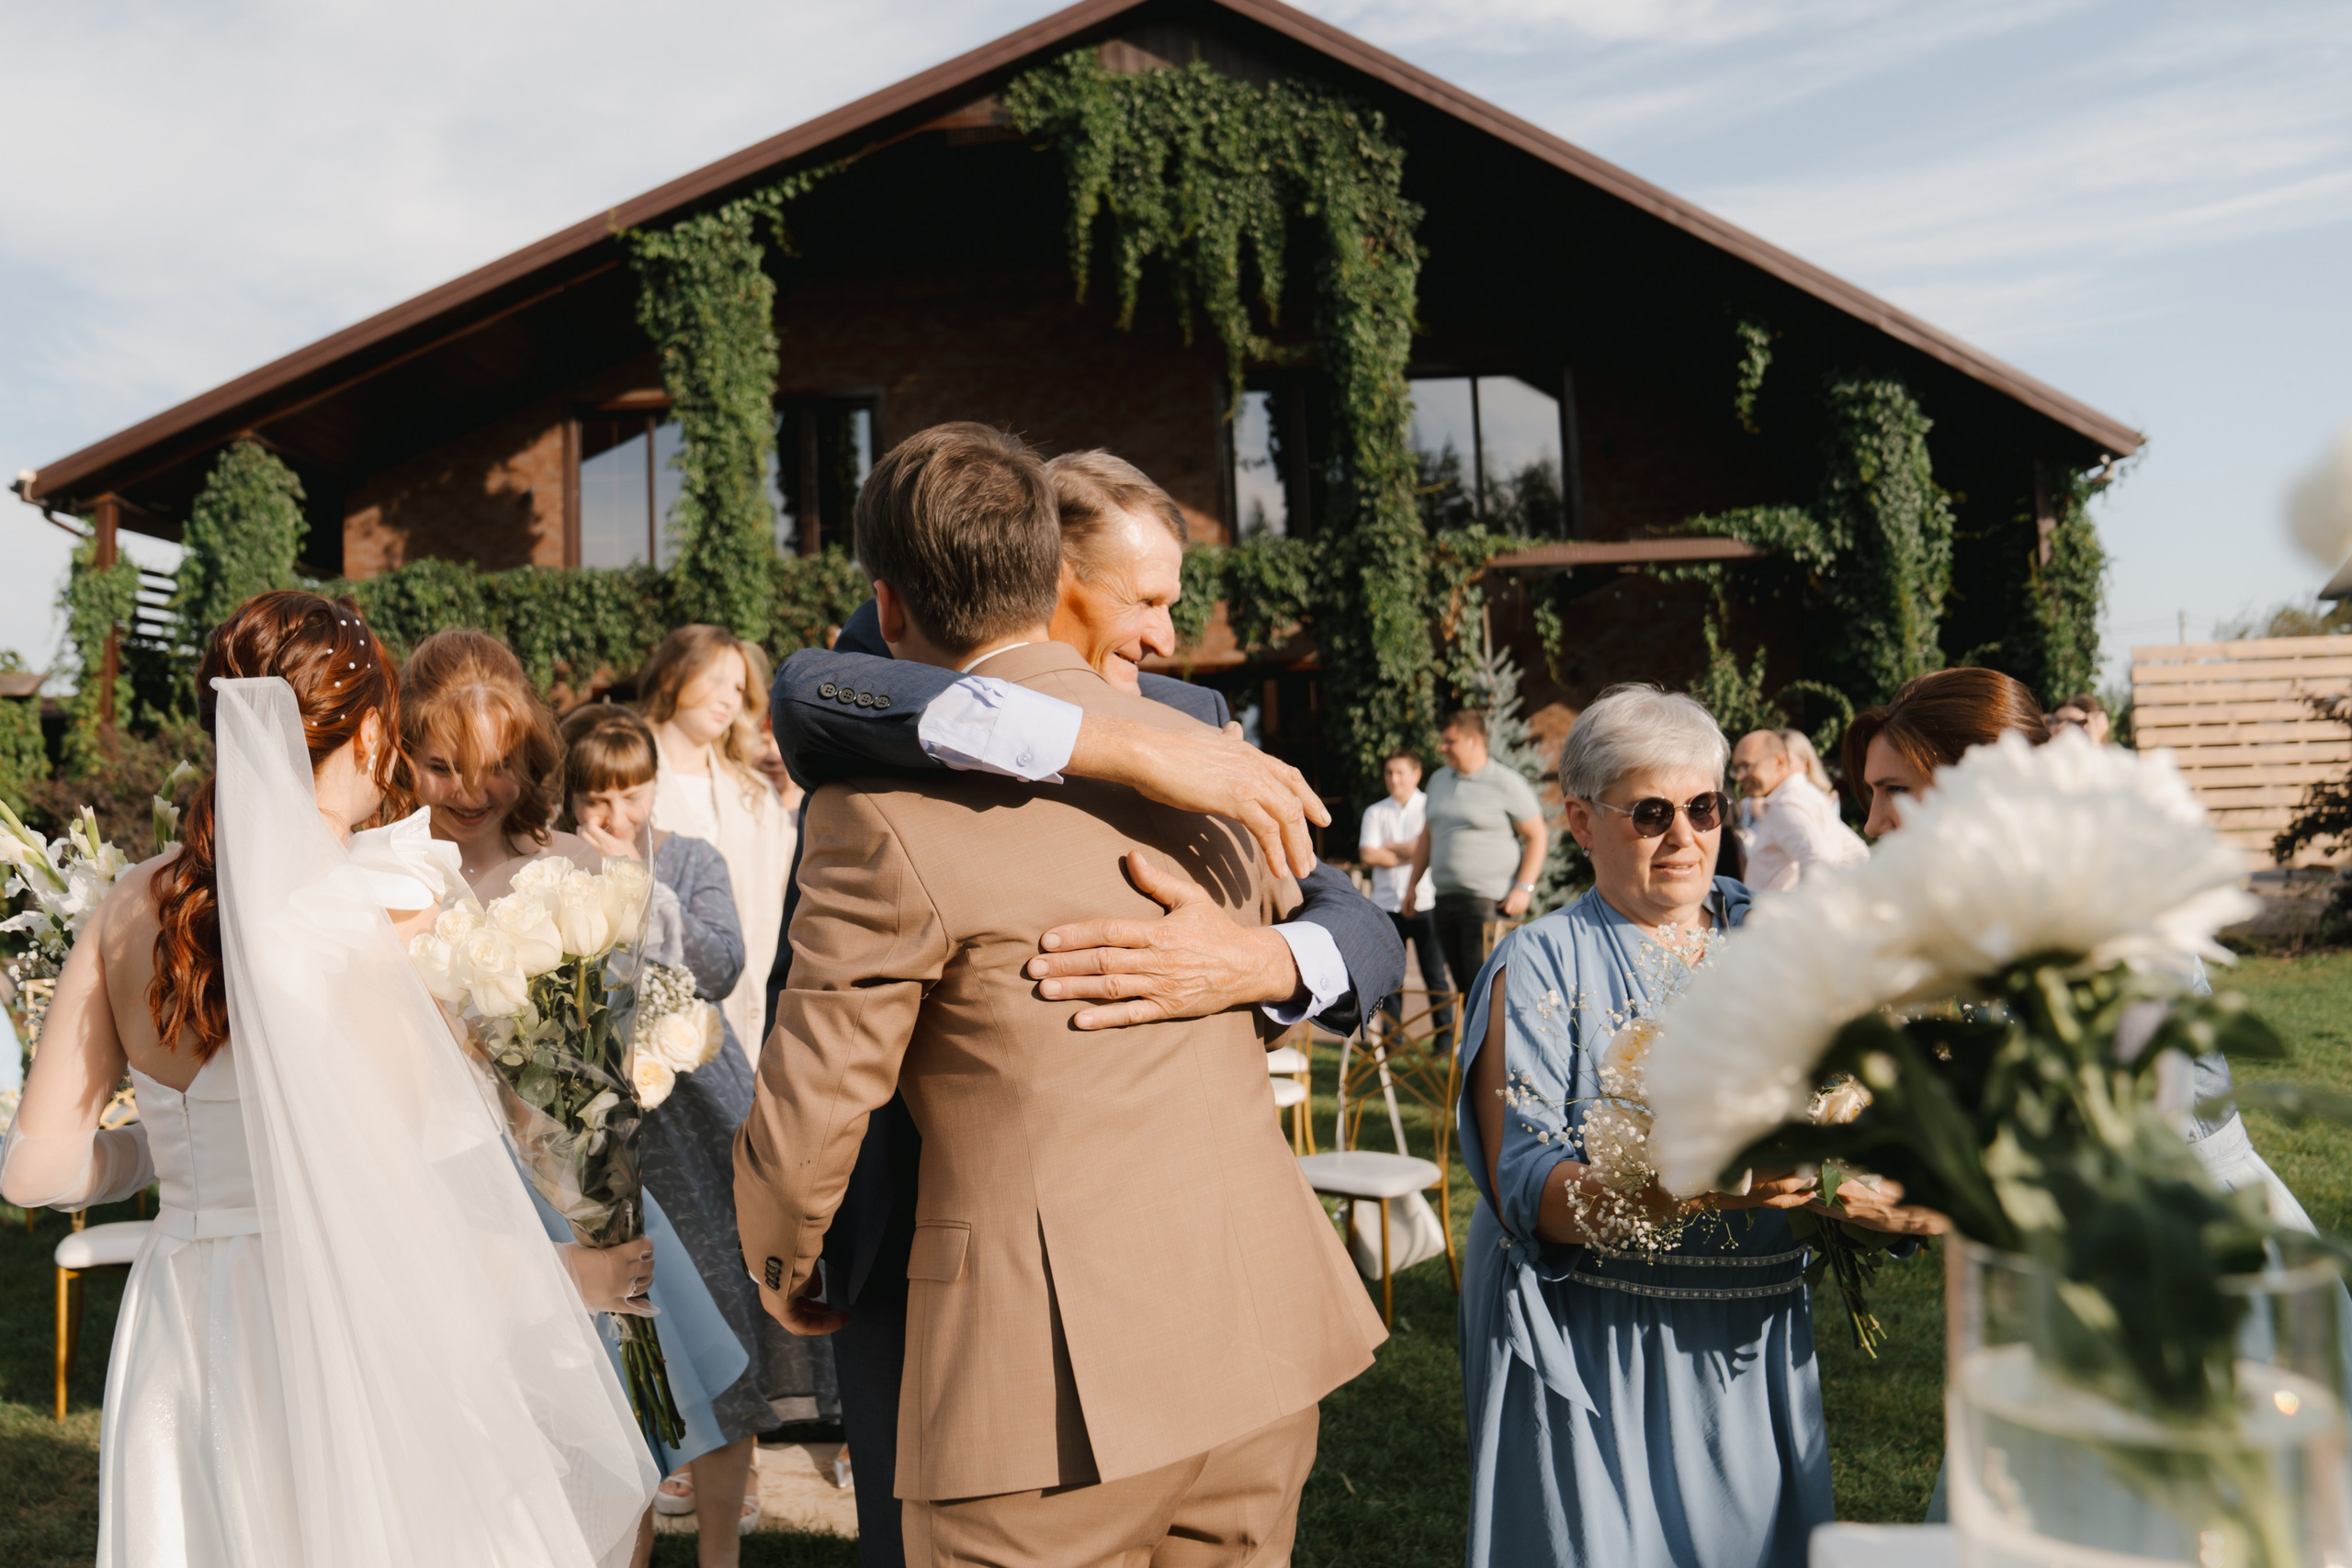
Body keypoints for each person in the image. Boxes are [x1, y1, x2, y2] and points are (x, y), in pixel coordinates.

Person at [737, 423, 1385, 1566]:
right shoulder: (1202, 771)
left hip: (1035, 1394)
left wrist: (785, 1261)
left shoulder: (884, 811)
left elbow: (810, 1111)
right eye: (1144, 601)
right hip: (1256, 1342)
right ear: (1053, 584)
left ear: (890, 606)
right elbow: (808, 688)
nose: (1164, 633)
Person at [0, 591, 656, 1566]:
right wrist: (573, 1276)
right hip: (339, 1325)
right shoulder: (381, 910)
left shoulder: (126, 907)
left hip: (187, 1319)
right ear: (372, 730)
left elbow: (34, 1175)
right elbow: (400, 1210)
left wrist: (162, 1150)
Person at [1455, 683, 1933, 1568]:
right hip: (1597, 1336)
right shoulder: (1538, 961)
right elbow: (1524, 1183)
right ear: (1580, 821)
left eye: (1704, 806)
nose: (1684, 836)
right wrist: (1689, 1178)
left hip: (1752, 1339)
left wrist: (1847, 1155)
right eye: (1650, 812)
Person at [396, 629, 768, 1562]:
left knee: (627, 1436)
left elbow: (641, 1020)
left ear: (530, 757)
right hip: (455, 1191)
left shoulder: (588, 870)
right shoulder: (394, 882)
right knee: (507, 1448)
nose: (471, 792)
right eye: (440, 767)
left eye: (496, 766)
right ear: (401, 755)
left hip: (580, 1184)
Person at [560, 703, 771, 1559]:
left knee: (724, 1315)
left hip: (697, 1114)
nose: (618, 819)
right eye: (598, 801)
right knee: (622, 1337)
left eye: (634, 795)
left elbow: (722, 962)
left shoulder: (689, 857)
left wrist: (651, 897)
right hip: (598, 1130)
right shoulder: (551, 868)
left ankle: (720, 1546)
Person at [641, 625, 797, 1071]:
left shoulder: (752, 791)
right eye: (715, 679)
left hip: (747, 1012)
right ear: (673, 675)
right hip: (652, 1023)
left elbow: (790, 883)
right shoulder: (627, 775)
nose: (729, 698)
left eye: (739, 687)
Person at [1402, 709, 1548, 1012]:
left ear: (1474, 741)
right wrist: (1412, 885)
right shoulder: (1439, 780)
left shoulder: (1506, 783)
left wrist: (1524, 888)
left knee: (1487, 985)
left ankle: (1493, 1054)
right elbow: (1427, 836)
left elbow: (1537, 835)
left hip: (1488, 902)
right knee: (1463, 987)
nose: (1443, 747)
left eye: (1450, 741)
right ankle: (1471, 1052)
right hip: (1445, 899)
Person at [1358, 748, 1450, 1036]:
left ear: (1416, 774)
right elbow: (1368, 855)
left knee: (1435, 977)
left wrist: (1392, 848)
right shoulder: (1375, 811)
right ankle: (1392, 1039)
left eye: (1400, 772)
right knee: (1391, 978)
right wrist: (1411, 850)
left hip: (1426, 903)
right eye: (1389, 772)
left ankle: (1445, 1039)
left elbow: (1429, 850)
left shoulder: (1430, 807)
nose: (1394, 779)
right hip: (1386, 906)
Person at [1728, 726, 1868, 891]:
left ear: (1779, 762)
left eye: (1747, 767)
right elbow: (1857, 853)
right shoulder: (1805, 795)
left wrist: (1800, 912)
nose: (1739, 777)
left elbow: (1818, 861)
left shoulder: (1785, 805)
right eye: (1736, 769)